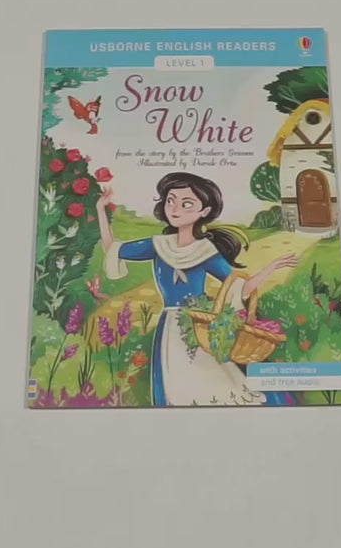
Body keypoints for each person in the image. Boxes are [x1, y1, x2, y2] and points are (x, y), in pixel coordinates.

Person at [98, 172, 300, 406]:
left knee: (212, 382)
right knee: (174, 382)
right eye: (170, 201)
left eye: (186, 204)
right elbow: (113, 249)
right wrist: (100, 209)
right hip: (169, 325)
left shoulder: (206, 250)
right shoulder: (158, 245)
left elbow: (238, 285)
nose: (175, 209)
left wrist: (271, 268)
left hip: (199, 324)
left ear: (204, 212)